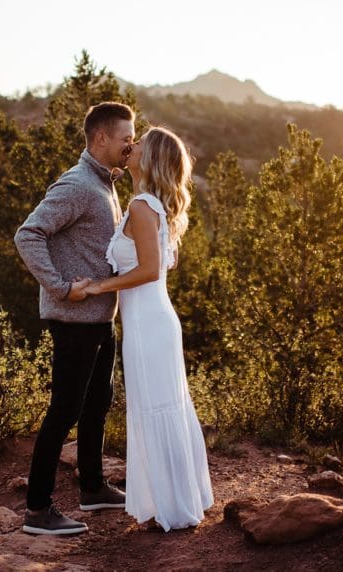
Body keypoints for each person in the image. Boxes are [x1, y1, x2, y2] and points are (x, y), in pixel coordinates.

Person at [81, 126, 214, 532]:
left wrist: (97, 287)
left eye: (138, 143)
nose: (131, 145)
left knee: (155, 407)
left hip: (149, 325)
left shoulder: (142, 206)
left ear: (150, 157)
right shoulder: (150, 203)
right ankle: (174, 498)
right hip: (152, 320)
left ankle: (172, 506)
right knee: (159, 406)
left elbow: (149, 269)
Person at [14, 101, 135, 536]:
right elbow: (28, 234)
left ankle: (94, 488)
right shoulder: (79, 184)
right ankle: (38, 510)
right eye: (125, 138)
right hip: (74, 318)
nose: (130, 145)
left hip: (100, 318)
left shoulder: (105, 184)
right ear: (101, 138)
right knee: (64, 410)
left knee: (97, 406)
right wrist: (62, 287)